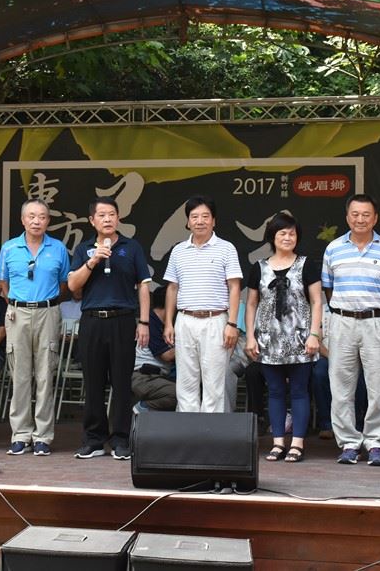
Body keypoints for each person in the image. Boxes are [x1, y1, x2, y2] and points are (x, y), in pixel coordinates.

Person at [321, 193, 380, 466]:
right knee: (341, 387)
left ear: (375, 218)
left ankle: (376, 443)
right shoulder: (333, 249)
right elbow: (328, 288)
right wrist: (347, 308)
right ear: (347, 217)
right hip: (342, 321)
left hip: (376, 322)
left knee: (379, 387)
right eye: (355, 214)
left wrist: (372, 308)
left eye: (366, 214)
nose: (360, 219)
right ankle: (348, 443)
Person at [67, 196, 151, 460]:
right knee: (93, 382)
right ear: (92, 220)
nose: (107, 219)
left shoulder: (131, 247)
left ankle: (121, 440)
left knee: (122, 382)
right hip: (92, 320)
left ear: (118, 218)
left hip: (122, 320)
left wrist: (144, 322)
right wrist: (93, 261)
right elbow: (73, 285)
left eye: (112, 214)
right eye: (102, 215)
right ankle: (93, 439)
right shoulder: (83, 249)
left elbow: (144, 286)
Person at [245, 213, 322, 463]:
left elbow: (317, 301)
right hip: (269, 339)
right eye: (282, 233)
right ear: (272, 237)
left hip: (300, 339)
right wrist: (250, 337)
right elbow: (251, 304)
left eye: (292, 233)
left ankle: (297, 443)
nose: (287, 238)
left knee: (299, 391)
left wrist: (314, 334)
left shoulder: (307, 264)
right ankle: (278, 442)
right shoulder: (259, 267)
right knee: (275, 391)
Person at [0, 199, 71, 457]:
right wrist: (17, 303)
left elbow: (64, 284)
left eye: (42, 217)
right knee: (19, 374)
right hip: (17, 313)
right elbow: (3, 283)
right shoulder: (9, 248)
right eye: (31, 216)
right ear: (22, 220)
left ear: (48, 221)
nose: (36, 221)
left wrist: (44, 301)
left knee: (45, 374)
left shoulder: (58, 248)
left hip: (47, 312)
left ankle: (42, 437)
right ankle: (20, 435)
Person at [163, 195, 242, 413]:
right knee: (185, 382)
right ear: (188, 221)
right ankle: (188, 430)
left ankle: (210, 431)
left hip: (215, 320)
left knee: (214, 384)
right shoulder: (178, 250)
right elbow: (172, 288)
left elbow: (234, 287)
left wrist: (232, 324)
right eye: (194, 216)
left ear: (214, 221)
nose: (200, 221)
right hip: (185, 319)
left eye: (205, 216)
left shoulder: (226, 248)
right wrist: (168, 323)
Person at [132, 287, 176, 413]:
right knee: (179, 394)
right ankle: (143, 408)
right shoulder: (151, 322)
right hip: (144, 377)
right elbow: (166, 355)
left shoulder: (164, 324)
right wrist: (190, 345)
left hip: (158, 377)